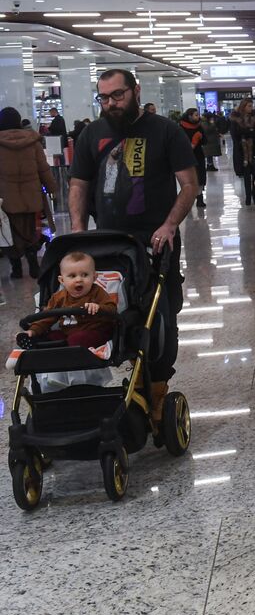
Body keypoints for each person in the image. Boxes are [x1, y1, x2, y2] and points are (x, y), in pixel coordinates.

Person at [68, 69, 198, 422]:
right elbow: (78, 185)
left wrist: (170, 225)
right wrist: (79, 233)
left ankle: (156, 388)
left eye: (118, 95)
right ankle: (114, 385)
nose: (111, 103)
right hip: (108, 244)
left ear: (136, 91)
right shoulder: (91, 134)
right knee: (109, 313)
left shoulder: (165, 131)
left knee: (161, 315)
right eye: (104, 97)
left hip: (156, 242)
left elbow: (189, 184)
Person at [17, 251, 117, 350]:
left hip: (95, 331)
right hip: (67, 333)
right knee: (52, 336)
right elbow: (46, 318)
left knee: (77, 339)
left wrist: (99, 307)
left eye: (85, 275)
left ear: (94, 277)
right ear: (62, 280)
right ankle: (34, 341)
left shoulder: (97, 292)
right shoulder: (58, 297)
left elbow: (112, 309)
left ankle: (63, 349)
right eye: (72, 276)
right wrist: (33, 330)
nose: (79, 280)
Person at [0, 106, 57, 279]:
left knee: (11, 232)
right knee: (32, 230)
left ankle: (16, 268)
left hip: (7, 197)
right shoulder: (33, 141)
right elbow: (43, 168)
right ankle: (33, 264)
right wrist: (53, 188)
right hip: (32, 196)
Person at [229, 99, 255, 206]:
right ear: (243, 106)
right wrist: (249, 132)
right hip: (241, 151)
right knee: (246, 175)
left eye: (251, 105)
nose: (251, 108)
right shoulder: (235, 119)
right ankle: (248, 196)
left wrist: (246, 133)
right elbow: (235, 134)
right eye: (249, 106)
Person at [179, 108, 208, 208]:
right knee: (188, 178)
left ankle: (200, 198)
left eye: (198, 115)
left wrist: (200, 138)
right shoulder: (181, 127)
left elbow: (205, 141)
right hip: (186, 156)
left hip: (198, 155)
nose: (198, 117)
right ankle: (188, 200)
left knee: (200, 177)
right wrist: (193, 141)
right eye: (195, 115)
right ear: (189, 116)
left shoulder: (199, 126)